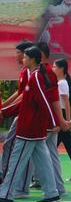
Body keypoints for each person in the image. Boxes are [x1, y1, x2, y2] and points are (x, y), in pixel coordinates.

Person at [0, 46, 61, 202]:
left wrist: (54, 122)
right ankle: (52, 193)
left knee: (16, 161)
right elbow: (24, 102)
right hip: (34, 128)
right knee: (43, 161)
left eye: (25, 57)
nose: (22, 59)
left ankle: (5, 195)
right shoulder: (34, 77)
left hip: (29, 128)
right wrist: (4, 112)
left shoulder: (35, 77)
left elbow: (44, 101)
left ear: (32, 59)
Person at [1, 41, 34, 181]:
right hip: (24, 113)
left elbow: (24, 96)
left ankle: (4, 175)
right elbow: (19, 92)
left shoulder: (30, 72)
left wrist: (5, 110)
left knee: (12, 144)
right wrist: (4, 107)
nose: (16, 56)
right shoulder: (25, 71)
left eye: (18, 53)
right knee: (39, 151)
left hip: (26, 114)